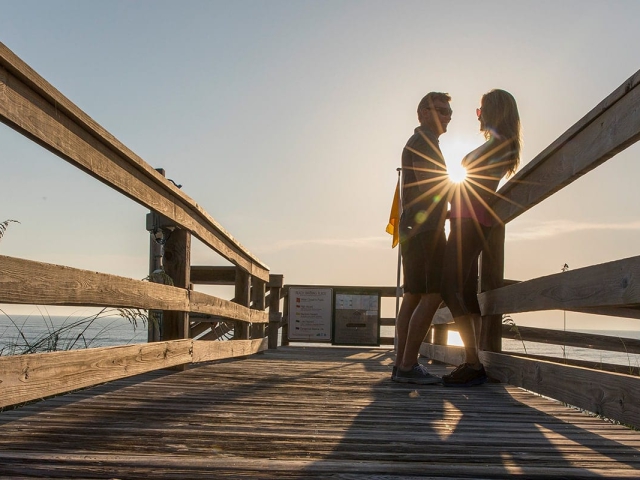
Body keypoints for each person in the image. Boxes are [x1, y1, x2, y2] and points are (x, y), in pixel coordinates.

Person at [440, 89, 521, 387]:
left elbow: (476, 187)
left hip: (470, 224)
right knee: (464, 289)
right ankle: (471, 362)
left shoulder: (500, 145)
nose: (478, 114)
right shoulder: (495, 145)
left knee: (449, 288)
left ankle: (473, 362)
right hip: (465, 221)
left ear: (495, 112)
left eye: (482, 109)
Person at [393, 92, 452, 384]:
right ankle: (406, 366)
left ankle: (400, 363)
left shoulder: (416, 142)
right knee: (432, 294)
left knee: (413, 296)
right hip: (426, 228)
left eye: (449, 112)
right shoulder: (426, 142)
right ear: (423, 113)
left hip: (412, 229)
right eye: (440, 110)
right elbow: (436, 187)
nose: (447, 116)